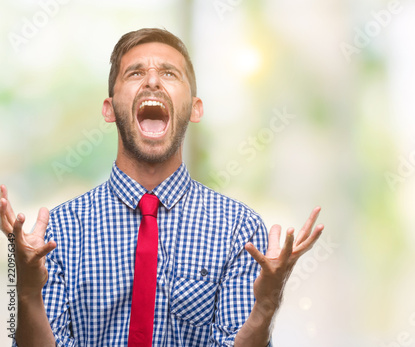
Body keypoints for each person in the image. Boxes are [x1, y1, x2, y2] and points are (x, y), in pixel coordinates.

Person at [0, 28, 324, 346]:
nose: (152, 81)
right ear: (109, 108)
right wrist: (27, 292)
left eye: (169, 73)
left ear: (195, 108)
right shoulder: (58, 233)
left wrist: (265, 307)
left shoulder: (238, 231)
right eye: (135, 72)